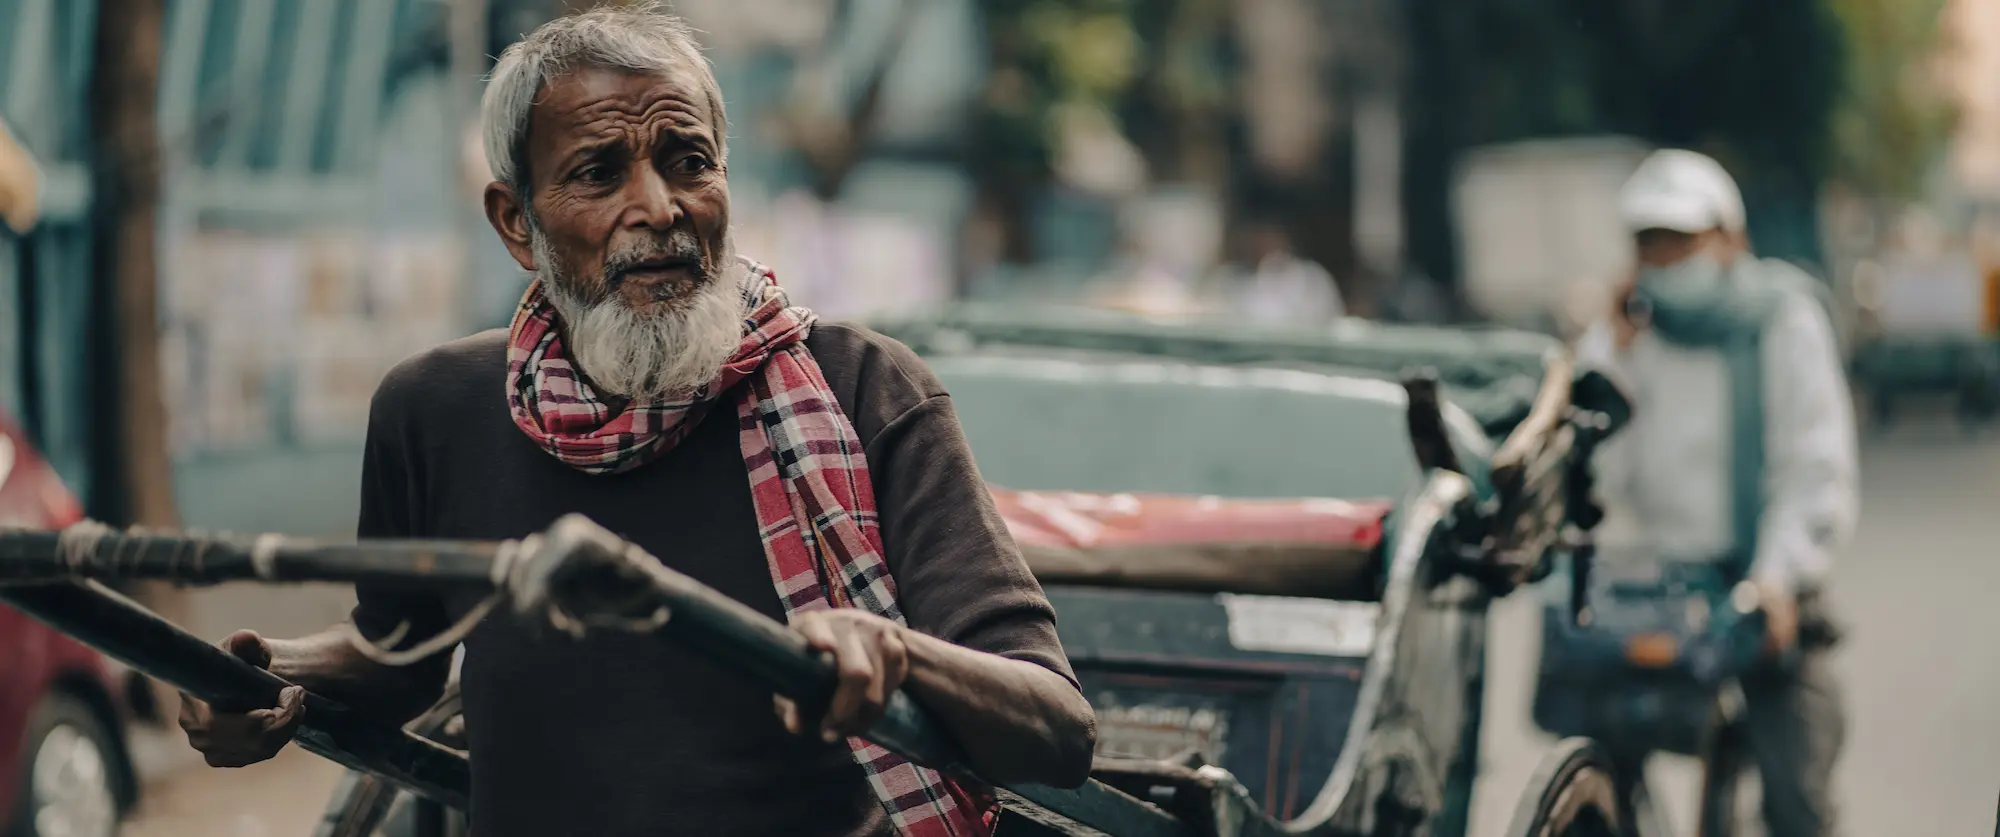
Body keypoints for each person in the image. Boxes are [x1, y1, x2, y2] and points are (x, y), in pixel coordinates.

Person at [175, 6, 1096, 836]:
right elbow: (400, 654)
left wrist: (892, 653)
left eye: (687, 161)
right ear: (517, 224)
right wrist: (274, 670)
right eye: (598, 172)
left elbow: (1056, 727)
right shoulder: (433, 410)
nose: (658, 208)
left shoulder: (866, 391)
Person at [1577, 149, 1857, 837]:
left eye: (1680, 241)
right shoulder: (1630, 335)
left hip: (1765, 586)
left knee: (1798, 798)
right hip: (1665, 587)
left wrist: (1778, 578)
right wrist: (1607, 348)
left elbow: (1814, 466)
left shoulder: (1784, 319)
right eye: (1650, 245)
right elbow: (1594, 476)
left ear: (1730, 240)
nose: (1666, 260)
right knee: (1597, 760)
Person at [1219, 221, 1345, 327]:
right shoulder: (1233, 277)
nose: (1263, 245)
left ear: (1285, 240)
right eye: (1258, 238)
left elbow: (1332, 322)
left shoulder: (1313, 277)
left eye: (1270, 237)